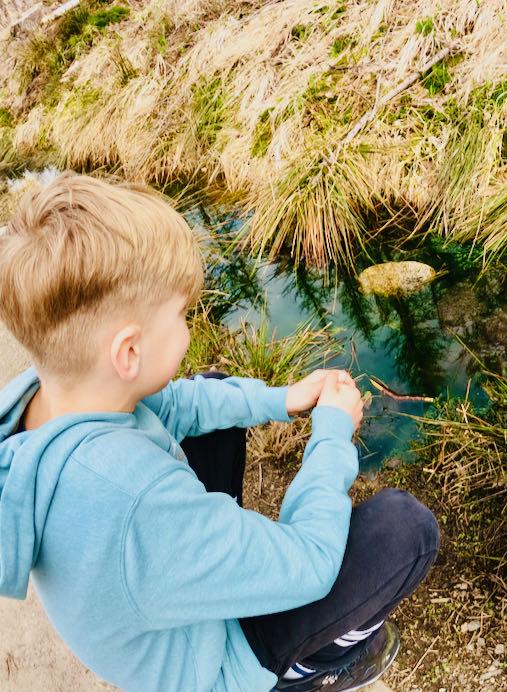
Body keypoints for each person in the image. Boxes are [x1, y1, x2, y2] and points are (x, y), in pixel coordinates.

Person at [0, 173, 439, 691]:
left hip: (152, 595)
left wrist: (281, 400)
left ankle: (234, 559)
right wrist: (331, 434)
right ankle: (304, 670)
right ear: (129, 352)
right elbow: (310, 563)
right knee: (405, 531)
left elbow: (183, 402)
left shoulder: (48, 392)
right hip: (211, 664)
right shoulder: (136, 503)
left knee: (216, 397)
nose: (189, 325)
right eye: (182, 315)